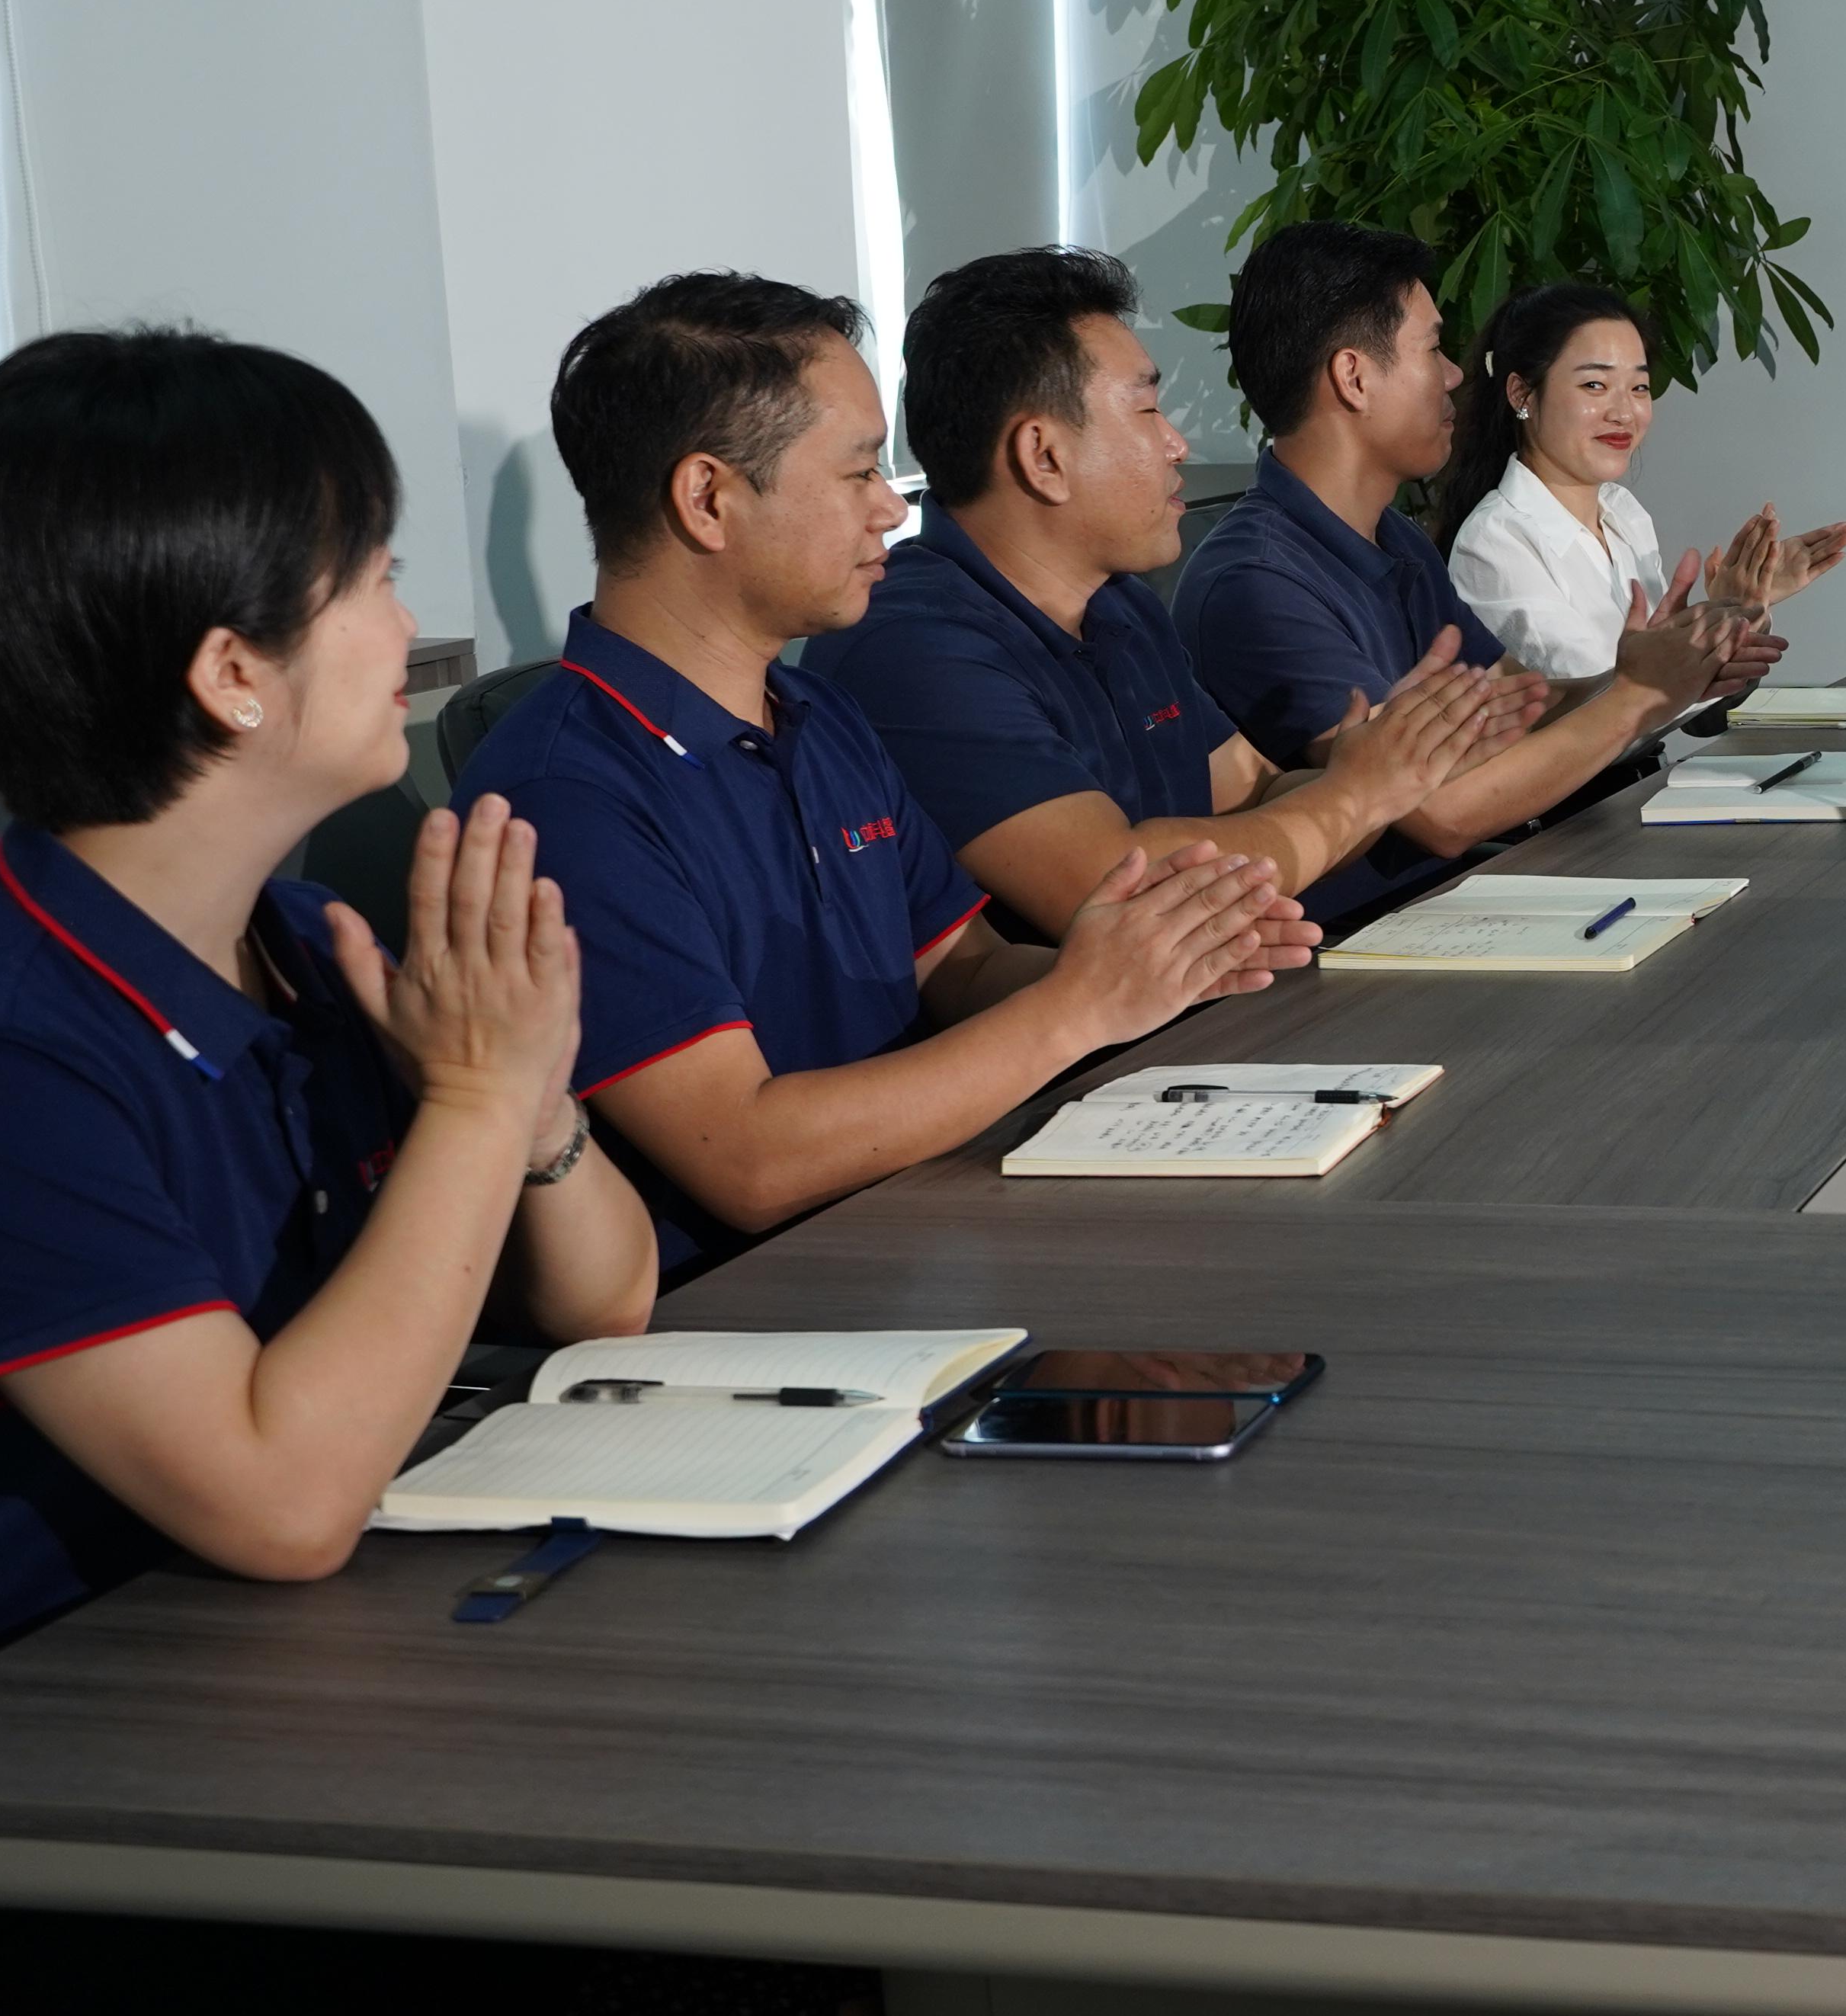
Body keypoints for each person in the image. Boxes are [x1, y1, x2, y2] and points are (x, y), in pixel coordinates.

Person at [0, 329, 879, 2016]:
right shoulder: (14, 1047)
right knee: (795, 2004)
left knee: (850, 1962)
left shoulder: (297, 946)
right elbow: (283, 1492)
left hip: (277, 1722)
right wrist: (475, 1101)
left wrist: (527, 1099)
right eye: (373, 578)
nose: (415, 625)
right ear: (232, 673)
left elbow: (602, 1288)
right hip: (74, 1857)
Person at [455, 274, 1318, 1280]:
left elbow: (963, 971)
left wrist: (1161, 962)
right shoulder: (563, 796)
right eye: (859, 471)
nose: (888, 509)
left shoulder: (816, 716)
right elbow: (749, 1158)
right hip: (761, 1301)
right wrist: (1079, 1006)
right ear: (708, 500)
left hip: (934, 1224)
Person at [812, 246, 1528, 937]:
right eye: (1148, 410)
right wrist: (1361, 793)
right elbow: (1111, 887)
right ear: (1044, 456)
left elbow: (1252, 791)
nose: (1178, 444)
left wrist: (1383, 764)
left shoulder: (1120, 604)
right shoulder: (912, 646)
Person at [1178, 232, 1766, 901]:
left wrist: (1661, 669)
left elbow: (1514, 702)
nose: (1455, 376)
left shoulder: (1393, 538)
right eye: (1432, 350)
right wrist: (1640, 694)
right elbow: (1440, 813)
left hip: (1466, 897)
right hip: (1371, 934)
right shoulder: (1256, 583)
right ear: (1354, 377)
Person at [1433, 272, 1846, 697]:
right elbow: (1604, 706)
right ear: (1521, 393)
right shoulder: (1495, 543)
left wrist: (1737, 608)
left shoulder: (1623, 513)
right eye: (1594, 385)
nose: (1624, 413)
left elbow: (1681, 706)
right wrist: (1714, 623)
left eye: (1639, 387)